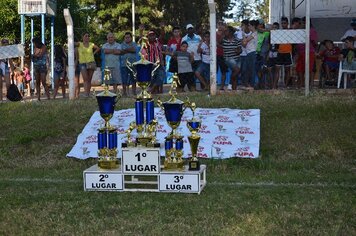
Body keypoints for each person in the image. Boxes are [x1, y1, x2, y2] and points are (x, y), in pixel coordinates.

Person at [295, 17, 318, 89]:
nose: (302, 24)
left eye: (304, 22)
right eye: (301, 22)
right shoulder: (300, 31)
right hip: (300, 52)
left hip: (309, 51)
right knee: (299, 68)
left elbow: (314, 42)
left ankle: (310, 84)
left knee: (310, 68)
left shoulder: (312, 30)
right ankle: (302, 84)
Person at [75, 33, 100, 97]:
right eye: (86, 36)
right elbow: (72, 43)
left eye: (88, 36)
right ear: (82, 37)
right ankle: (86, 93)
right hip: (82, 63)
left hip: (91, 62)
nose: (87, 37)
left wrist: (93, 53)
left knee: (89, 79)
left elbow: (98, 48)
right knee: (85, 79)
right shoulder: (79, 44)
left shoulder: (91, 44)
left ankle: (88, 93)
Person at [182, 24, 202, 91]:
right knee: (191, 75)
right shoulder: (184, 38)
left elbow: (202, 45)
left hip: (198, 59)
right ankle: (193, 89)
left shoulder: (198, 37)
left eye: (191, 28)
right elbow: (183, 49)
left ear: (193, 29)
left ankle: (203, 88)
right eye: (189, 29)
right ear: (187, 30)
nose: (190, 30)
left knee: (200, 73)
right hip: (189, 60)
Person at [222, 26, 242, 90]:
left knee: (235, 74)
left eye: (226, 31)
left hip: (237, 58)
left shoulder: (237, 40)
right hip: (228, 58)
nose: (225, 32)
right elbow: (217, 43)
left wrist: (238, 51)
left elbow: (240, 50)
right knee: (237, 70)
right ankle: (230, 83)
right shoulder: (223, 40)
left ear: (231, 32)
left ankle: (234, 90)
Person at [276, 17, 294, 88]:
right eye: (282, 23)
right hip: (280, 52)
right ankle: (276, 85)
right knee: (277, 69)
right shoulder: (279, 32)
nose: (283, 24)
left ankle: (285, 85)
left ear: (287, 23)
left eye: (285, 23)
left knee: (287, 70)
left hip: (288, 52)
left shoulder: (291, 31)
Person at [241, 20, 258, 89]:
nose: (248, 27)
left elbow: (245, 41)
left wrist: (243, 34)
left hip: (252, 52)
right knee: (247, 70)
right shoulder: (251, 34)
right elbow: (244, 44)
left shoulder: (255, 33)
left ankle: (252, 85)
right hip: (249, 53)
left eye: (249, 25)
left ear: (253, 26)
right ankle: (248, 85)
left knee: (252, 70)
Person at [120, 32, 137, 96]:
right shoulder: (121, 45)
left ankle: (134, 92)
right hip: (124, 65)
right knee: (124, 79)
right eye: (126, 37)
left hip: (133, 64)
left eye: (128, 37)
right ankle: (124, 93)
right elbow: (120, 52)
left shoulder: (134, 44)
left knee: (133, 79)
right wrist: (129, 50)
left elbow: (134, 50)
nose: (127, 39)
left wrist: (125, 50)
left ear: (131, 38)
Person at [216, 21, 228, 90]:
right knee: (215, 70)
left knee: (223, 71)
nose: (220, 26)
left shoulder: (226, 34)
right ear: (217, 25)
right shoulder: (214, 34)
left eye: (221, 25)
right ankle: (213, 85)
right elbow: (217, 43)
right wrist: (222, 46)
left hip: (224, 55)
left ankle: (222, 87)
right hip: (216, 55)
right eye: (219, 24)